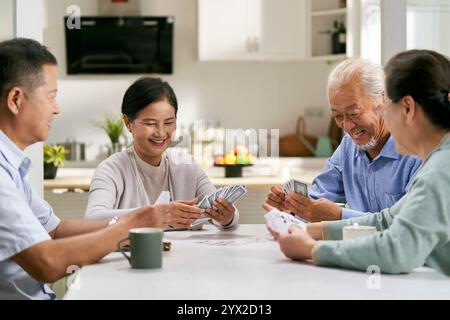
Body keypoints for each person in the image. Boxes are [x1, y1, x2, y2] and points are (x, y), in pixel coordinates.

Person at [0, 38, 173, 299]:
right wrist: (132, 224)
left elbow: (55, 230)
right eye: (51, 96)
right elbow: (47, 263)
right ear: (15, 100)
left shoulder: (13, 167)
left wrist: (133, 227)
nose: (57, 109)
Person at [267, 49, 450, 276]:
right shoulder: (440, 160)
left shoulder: (439, 171)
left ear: (407, 108)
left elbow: (397, 250)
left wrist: (312, 249)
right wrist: (311, 230)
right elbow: (387, 221)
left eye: (387, 104)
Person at [265, 58, 421, 222]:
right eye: (338, 116)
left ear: (383, 99)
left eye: (354, 113)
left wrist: (339, 216)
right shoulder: (348, 148)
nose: (347, 125)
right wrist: (293, 208)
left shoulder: (418, 152)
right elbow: (316, 202)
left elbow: (409, 227)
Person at [85, 77, 239, 230]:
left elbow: (226, 213)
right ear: (128, 123)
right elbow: (92, 220)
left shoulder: (186, 165)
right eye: (150, 123)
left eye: (168, 122)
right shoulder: (111, 169)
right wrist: (156, 214)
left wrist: (227, 218)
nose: (160, 133)